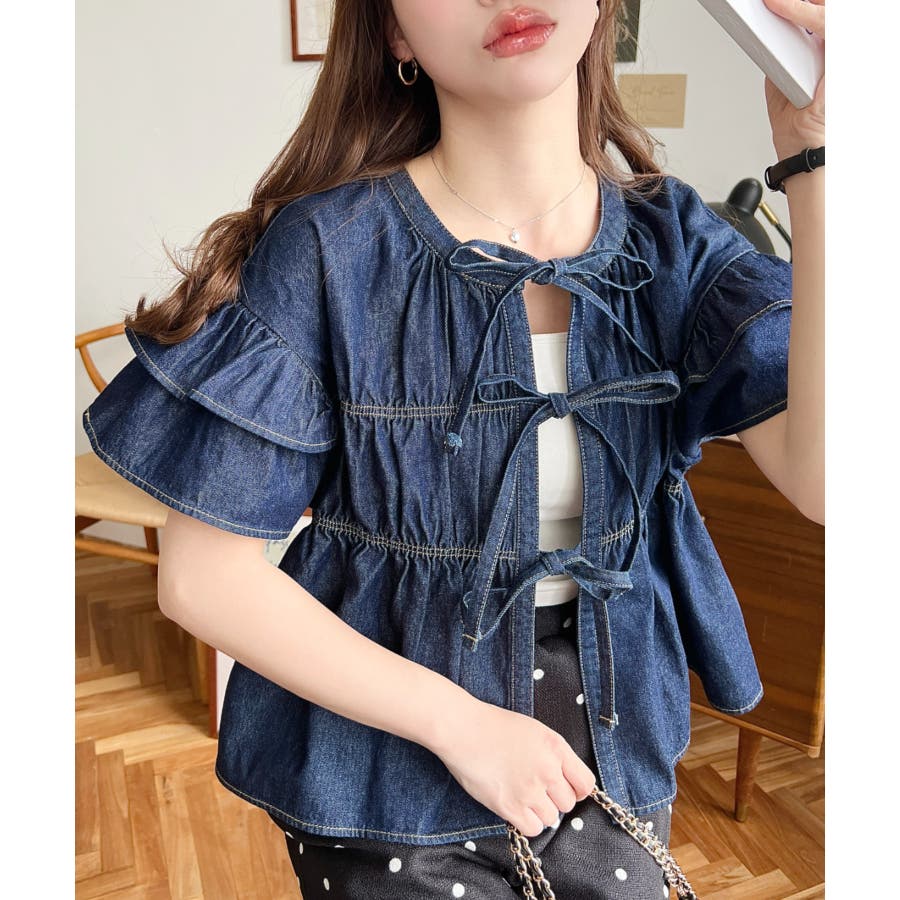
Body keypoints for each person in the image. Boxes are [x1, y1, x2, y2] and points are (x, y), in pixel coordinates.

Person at [81, 0, 825, 896]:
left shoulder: (674, 244)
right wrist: (462, 726)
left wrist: (815, 160)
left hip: (612, 736)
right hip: (387, 754)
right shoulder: (328, 251)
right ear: (395, 33)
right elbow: (203, 579)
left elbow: (828, 481)